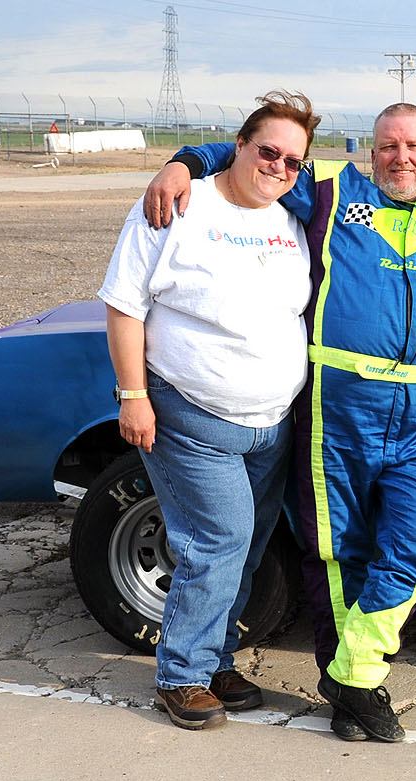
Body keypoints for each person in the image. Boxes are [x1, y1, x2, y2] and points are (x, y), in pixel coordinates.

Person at [143, 103, 416, 742]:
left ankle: (352, 673)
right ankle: (352, 689)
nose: (402, 158)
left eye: (414, 146)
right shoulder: (332, 190)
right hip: (337, 413)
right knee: (338, 555)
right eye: (389, 146)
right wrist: (182, 164)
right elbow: (252, 155)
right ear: (372, 152)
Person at [100, 90, 320, 731]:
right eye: (268, 151)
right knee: (217, 541)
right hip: (191, 414)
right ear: (238, 146)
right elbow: (124, 306)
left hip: (272, 422)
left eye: (294, 161)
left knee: (245, 547)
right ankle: (183, 676)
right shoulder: (176, 207)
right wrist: (133, 395)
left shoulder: (292, 217)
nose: (279, 167)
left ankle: (215, 658)